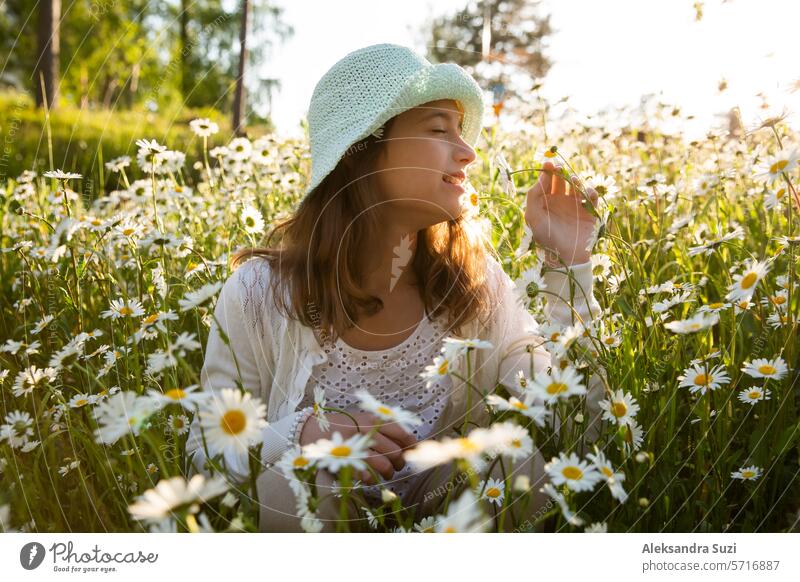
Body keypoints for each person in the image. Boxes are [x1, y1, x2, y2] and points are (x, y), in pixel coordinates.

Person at [187, 43, 605, 532]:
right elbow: (204, 453)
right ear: (363, 153)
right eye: (437, 129)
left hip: (443, 519)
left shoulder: (473, 283)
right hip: (322, 529)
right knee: (299, 479)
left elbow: (571, 418)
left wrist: (568, 262)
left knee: (515, 466)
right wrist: (302, 433)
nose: (468, 152)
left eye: (460, 132)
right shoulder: (260, 294)